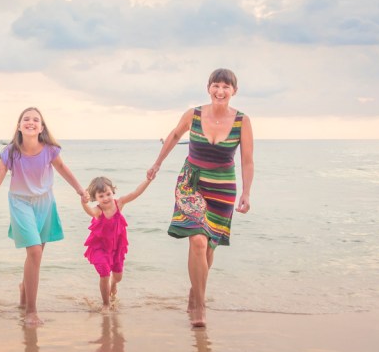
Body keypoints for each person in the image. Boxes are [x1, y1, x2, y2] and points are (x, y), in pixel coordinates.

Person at [147, 68, 254, 328]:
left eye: (226, 87)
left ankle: (194, 294)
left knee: (209, 247)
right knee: (196, 240)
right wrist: (157, 164)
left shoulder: (242, 120)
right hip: (191, 182)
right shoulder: (194, 114)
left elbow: (247, 160)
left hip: (222, 188)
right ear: (208, 88)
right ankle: (200, 305)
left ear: (234, 91)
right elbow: (173, 136)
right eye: (216, 85)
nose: (220, 91)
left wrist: (246, 192)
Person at [0, 107, 87, 327]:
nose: (30, 122)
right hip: (20, 202)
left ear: (41, 128)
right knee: (34, 251)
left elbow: (64, 170)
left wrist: (80, 189)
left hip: (45, 203)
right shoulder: (10, 151)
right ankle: (31, 311)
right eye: (26, 119)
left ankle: (24, 288)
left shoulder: (50, 150)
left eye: (35, 120)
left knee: (36, 254)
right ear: (19, 125)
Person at [80, 175, 151, 312]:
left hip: (117, 246)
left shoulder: (119, 203)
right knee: (104, 272)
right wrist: (83, 202)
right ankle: (106, 304)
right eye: (101, 196)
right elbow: (89, 211)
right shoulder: (98, 211)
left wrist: (148, 180)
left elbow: (136, 193)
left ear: (113, 192)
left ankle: (113, 283)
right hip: (100, 247)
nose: (106, 198)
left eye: (108, 194)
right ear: (96, 198)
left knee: (118, 277)